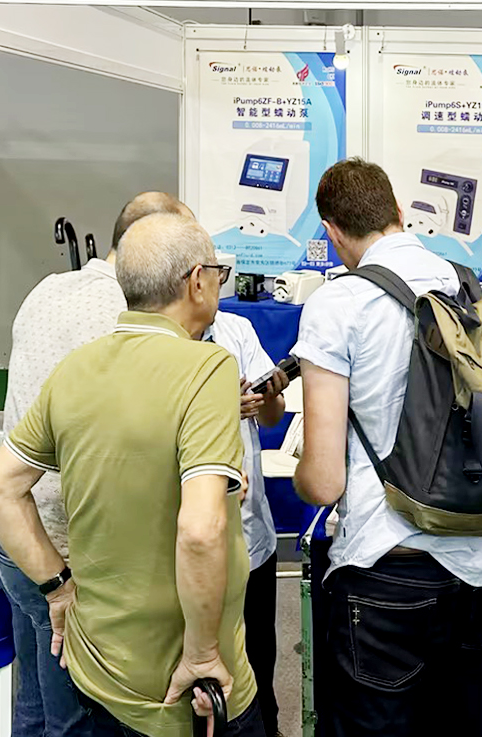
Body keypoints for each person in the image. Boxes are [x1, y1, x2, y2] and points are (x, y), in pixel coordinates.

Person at [0, 213, 265, 737]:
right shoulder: (208, 369)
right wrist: (202, 654)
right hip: (185, 688)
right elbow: (200, 530)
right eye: (218, 273)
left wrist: (58, 589)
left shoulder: (76, 369)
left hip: (100, 668)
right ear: (197, 281)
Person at [290, 157, 482, 737]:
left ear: (331, 232)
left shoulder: (338, 303)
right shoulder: (464, 285)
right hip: (470, 562)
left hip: (385, 568)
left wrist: (300, 472)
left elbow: (324, 483)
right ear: (399, 212)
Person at [200, 310, 290, 737]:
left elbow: (271, 417)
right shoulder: (162, 341)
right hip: (195, 540)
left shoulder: (235, 329)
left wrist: (269, 396)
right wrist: (222, 408)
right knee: (203, 671)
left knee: (258, 660)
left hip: (252, 535)